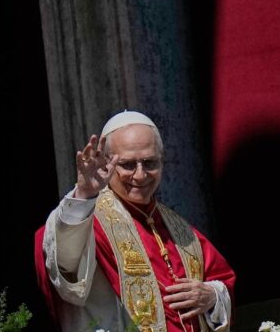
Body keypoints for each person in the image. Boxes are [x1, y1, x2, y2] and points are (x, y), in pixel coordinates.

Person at [35, 110, 236, 332]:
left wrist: (211, 295)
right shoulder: (85, 218)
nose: (140, 175)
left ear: (162, 161)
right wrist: (84, 194)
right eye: (128, 164)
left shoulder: (179, 228)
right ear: (106, 163)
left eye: (149, 163)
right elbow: (65, 265)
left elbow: (223, 281)